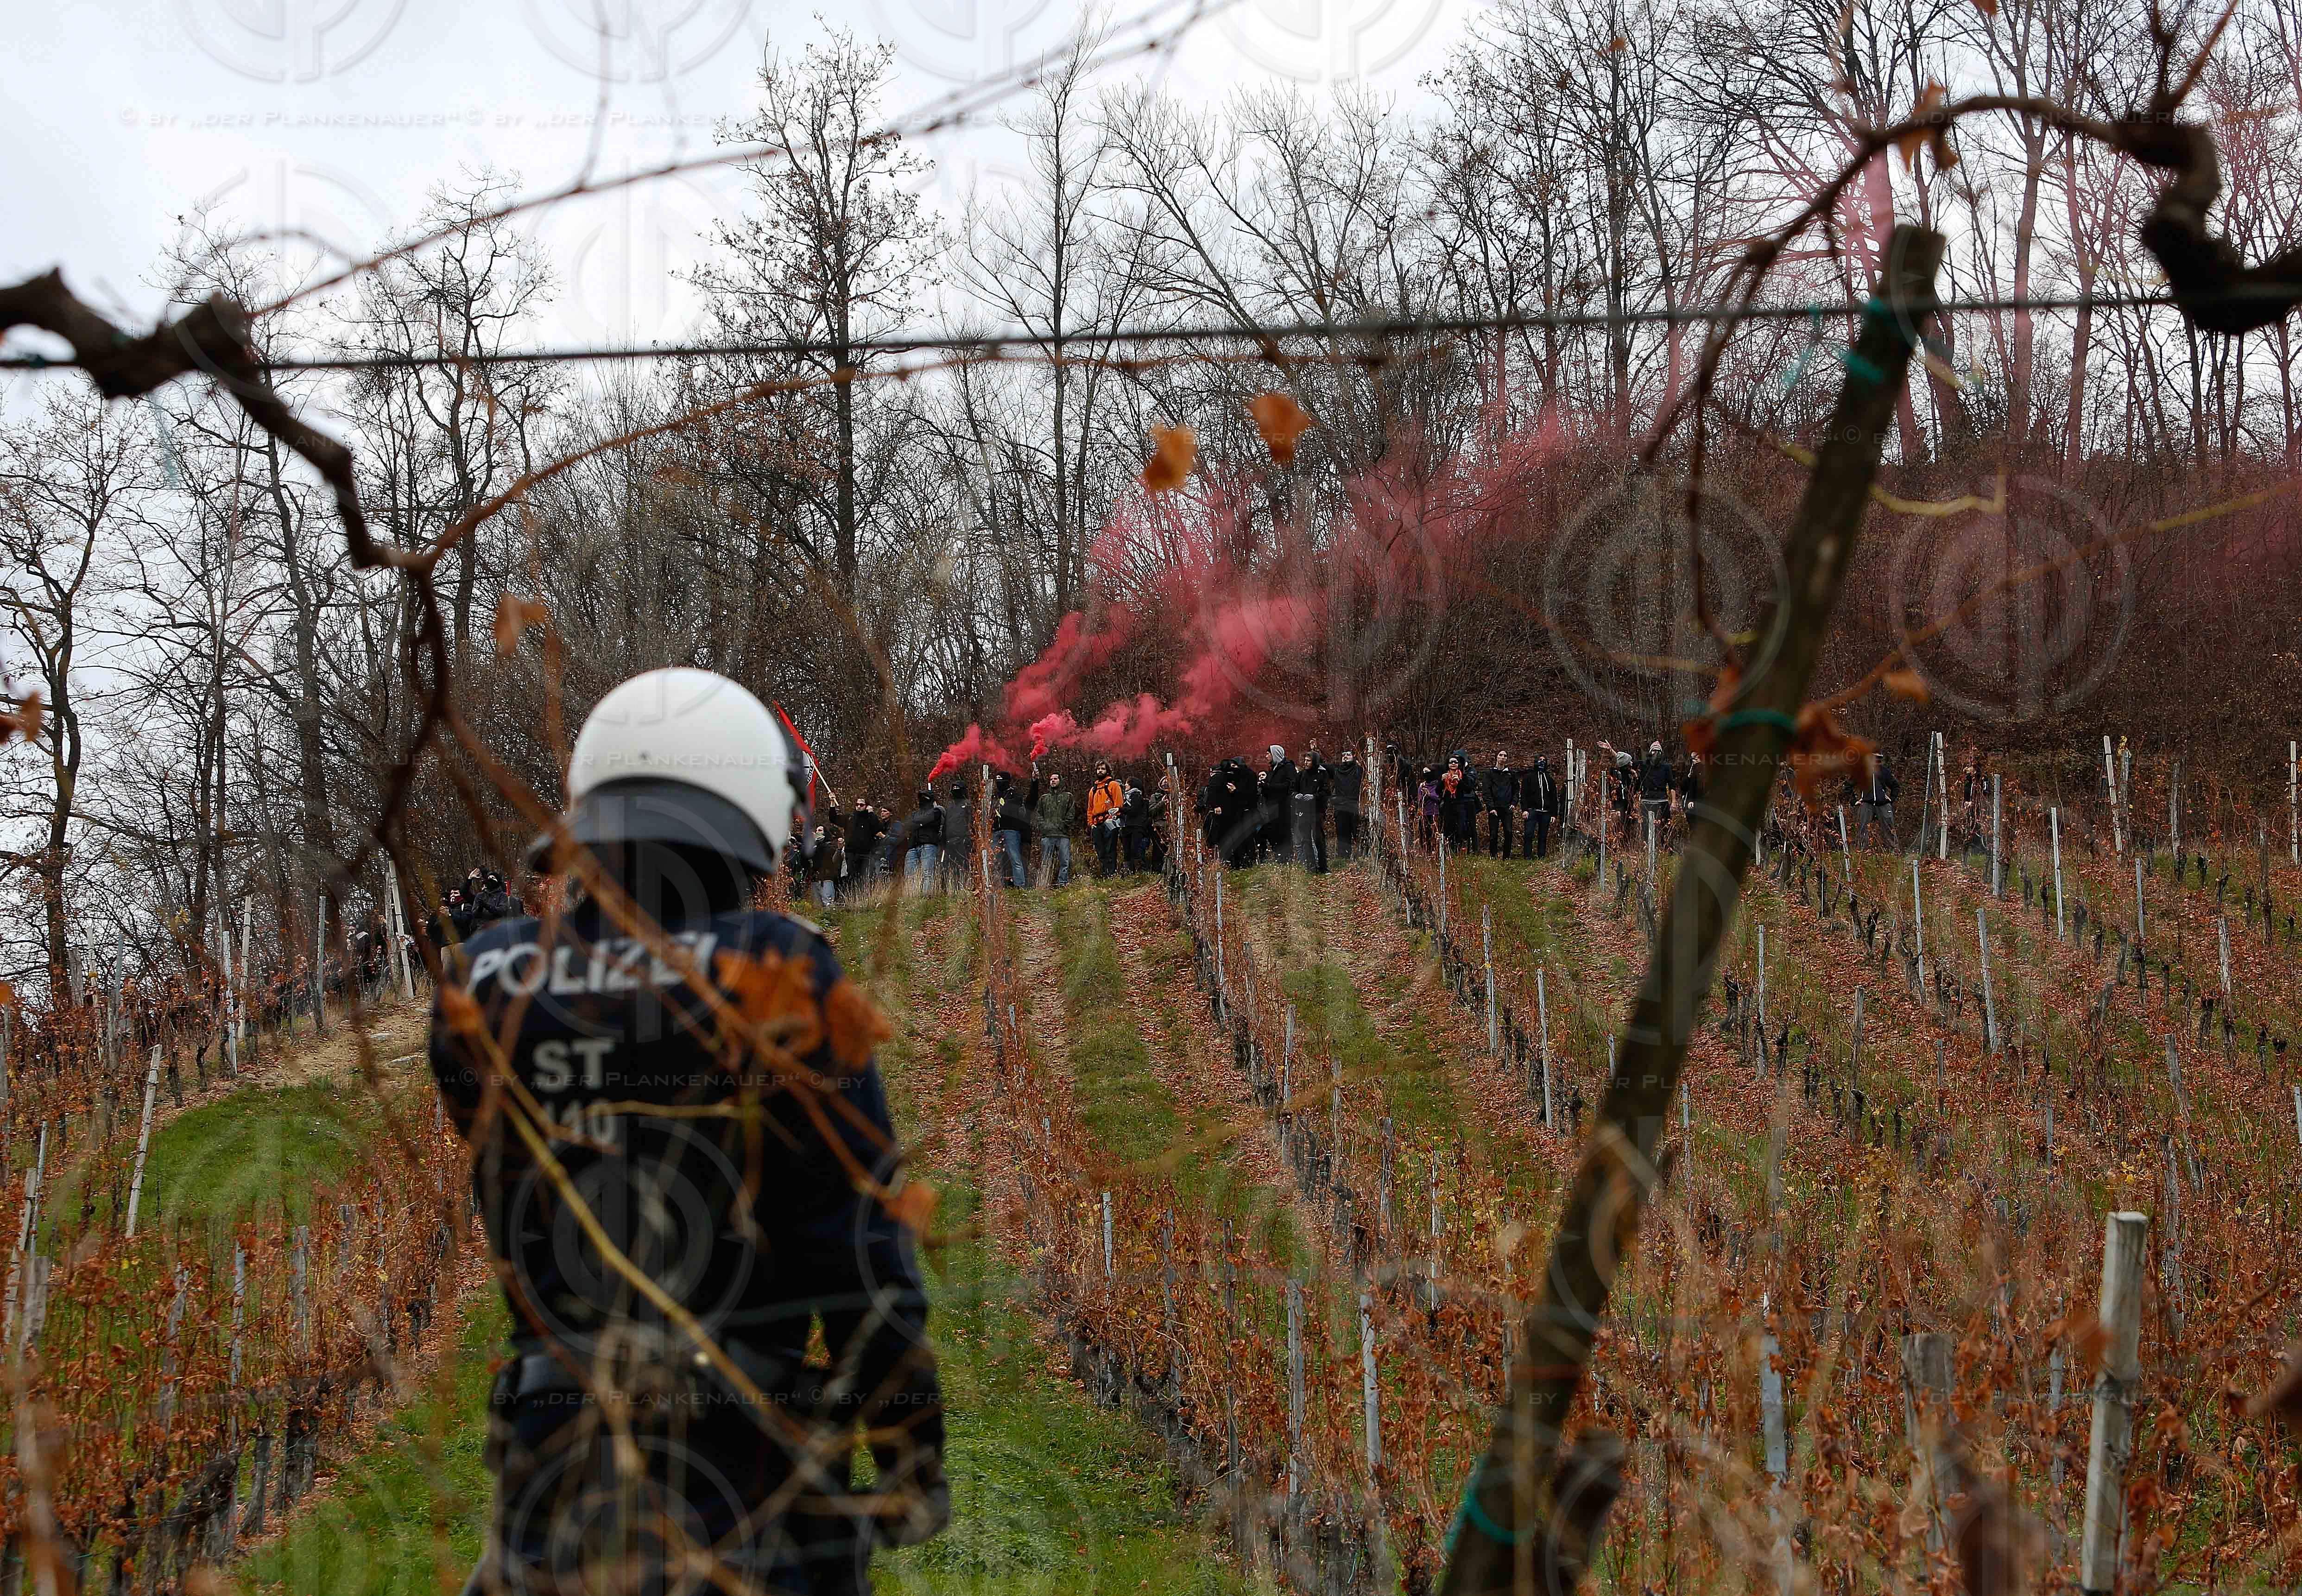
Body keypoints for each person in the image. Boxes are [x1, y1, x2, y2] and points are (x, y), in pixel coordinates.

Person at [429, 666, 945, 1596]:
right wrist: (908, 1444)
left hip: (558, 1476)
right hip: (745, 1480)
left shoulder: (485, 985)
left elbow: (492, 1139)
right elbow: (857, 1245)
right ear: (742, 817)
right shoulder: (775, 973)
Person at [1035, 768, 1077, 887]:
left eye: (1055, 779)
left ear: (1060, 780)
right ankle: (1044, 883)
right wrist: (1044, 827)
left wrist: (1063, 825)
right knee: (1046, 861)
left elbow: (1072, 813)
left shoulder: (1068, 797)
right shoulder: (1044, 798)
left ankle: (1062, 883)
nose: (1053, 781)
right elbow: (1038, 815)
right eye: (1051, 779)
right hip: (1047, 835)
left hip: (1063, 835)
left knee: (1065, 861)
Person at [991, 772, 1032, 889]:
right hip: (996, 830)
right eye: (997, 780)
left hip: (1011, 830)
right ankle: (997, 887)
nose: (999, 783)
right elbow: (992, 809)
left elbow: (1010, 808)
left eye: (1001, 780)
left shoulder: (1015, 794)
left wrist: (1001, 805)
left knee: (1015, 858)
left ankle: (1020, 885)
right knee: (995, 860)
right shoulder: (994, 795)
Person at [1260, 745, 1298, 865]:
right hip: (1272, 807)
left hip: (1284, 806)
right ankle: (1280, 857)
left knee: (1284, 832)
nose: (1266, 756)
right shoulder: (1273, 769)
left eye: (1268, 754)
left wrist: (1269, 787)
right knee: (1274, 832)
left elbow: (1289, 785)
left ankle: (1287, 859)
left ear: (1275, 754)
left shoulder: (1288, 767)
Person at [1085, 762, 1126, 875]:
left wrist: (1113, 819)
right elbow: (1090, 809)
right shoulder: (1093, 790)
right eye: (1098, 769)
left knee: (1110, 849)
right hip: (1097, 824)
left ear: (1107, 771)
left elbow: (1119, 805)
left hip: (1110, 822)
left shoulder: (1113, 785)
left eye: (1103, 769)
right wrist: (1091, 824)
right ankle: (1105, 873)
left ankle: (1111, 874)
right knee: (1100, 851)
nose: (1100, 771)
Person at [1853, 754, 1900, 848]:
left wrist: (1891, 799)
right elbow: (1848, 787)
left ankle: (1894, 853)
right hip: (1867, 804)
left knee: (1889, 828)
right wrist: (1854, 801)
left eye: (1878, 759)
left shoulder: (1884, 771)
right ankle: (1862, 854)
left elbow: (1895, 786)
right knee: (1863, 829)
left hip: (1883, 804)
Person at [1520, 755, 1562, 858]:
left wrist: (1554, 814)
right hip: (1532, 810)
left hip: (1546, 812)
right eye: (1540, 760)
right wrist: (1525, 810)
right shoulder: (1529, 777)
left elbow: (1554, 798)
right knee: (1529, 834)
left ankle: (1541, 856)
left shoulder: (1549, 779)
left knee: (1543, 836)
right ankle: (1528, 856)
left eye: (1544, 761)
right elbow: (1524, 795)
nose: (1542, 762)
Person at [902, 788, 944, 887]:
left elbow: (925, 819)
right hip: (912, 847)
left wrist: (916, 823)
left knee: (928, 874)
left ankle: (928, 897)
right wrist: (919, 823)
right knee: (910, 876)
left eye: (924, 797)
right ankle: (911, 898)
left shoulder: (936, 811)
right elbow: (906, 825)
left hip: (928, 845)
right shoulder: (915, 814)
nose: (921, 800)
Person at [1330, 745, 1365, 860]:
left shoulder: (1358, 770)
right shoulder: (1337, 771)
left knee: (1356, 832)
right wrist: (1316, 750)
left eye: (1348, 755)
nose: (1345, 757)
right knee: (1342, 834)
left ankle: (1358, 857)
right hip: (1341, 807)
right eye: (1343, 755)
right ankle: (1343, 858)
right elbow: (1324, 766)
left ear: (1354, 758)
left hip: (1354, 806)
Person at [1482, 750, 1517, 859]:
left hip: (1507, 808)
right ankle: (1493, 856)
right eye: (1501, 755)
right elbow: (1486, 791)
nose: (1503, 758)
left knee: (1509, 832)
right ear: (1496, 757)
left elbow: (1516, 790)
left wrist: (1514, 803)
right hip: (1494, 809)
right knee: (1493, 834)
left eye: (1505, 756)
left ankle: (1506, 857)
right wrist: (1491, 807)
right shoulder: (1489, 773)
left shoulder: (1511, 774)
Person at [939, 781, 974, 890]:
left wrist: (969, 838)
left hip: (963, 841)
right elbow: (945, 824)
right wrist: (943, 841)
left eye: (957, 789)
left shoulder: (968, 805)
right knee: (948, 867)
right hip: (949, 842)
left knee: (964, 866)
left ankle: (965, 888)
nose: (955, 791)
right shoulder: (950, 807)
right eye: (953, 789)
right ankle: (951, 889)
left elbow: (972, 823)